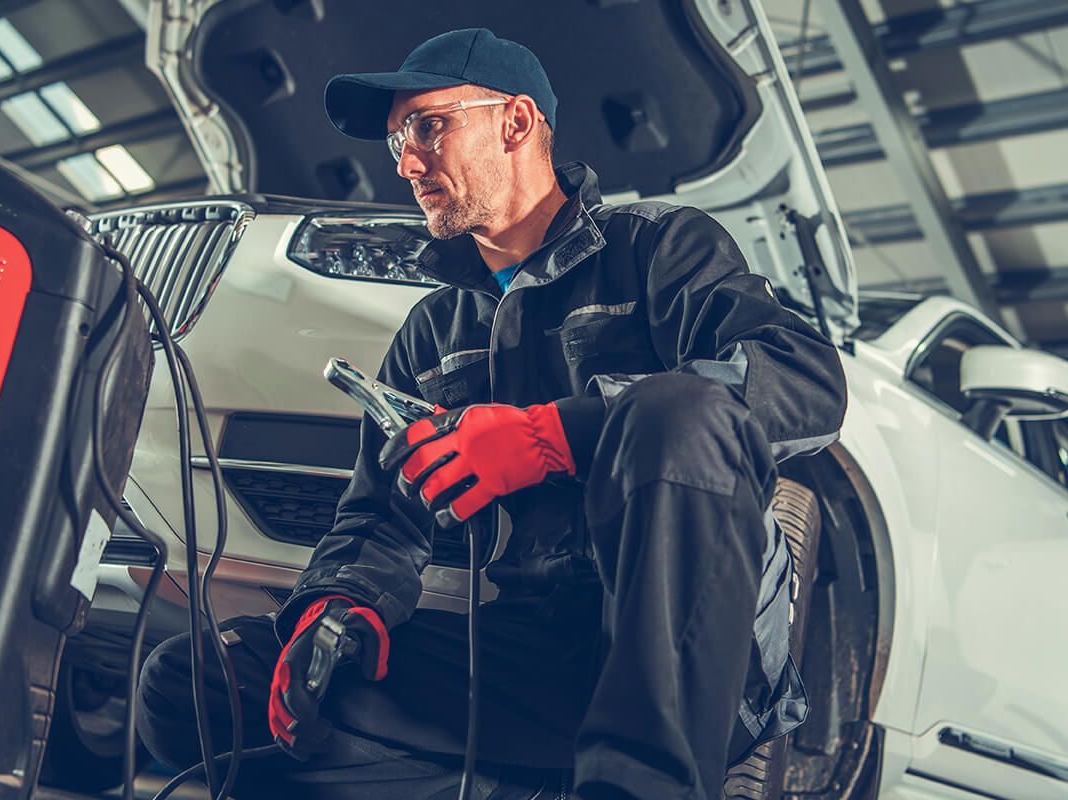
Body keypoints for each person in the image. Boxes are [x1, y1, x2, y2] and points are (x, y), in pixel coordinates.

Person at [136, 28, 847, 800]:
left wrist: (554, 436)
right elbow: (379, 517)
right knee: (195, 684)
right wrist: (339, 606)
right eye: (397, 142)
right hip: (541, 657)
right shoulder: (435, 331)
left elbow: (805, 379)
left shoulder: (659, 248)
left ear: (515, 123)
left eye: (427, 126)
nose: (406, 163)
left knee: (678, 410)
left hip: (696, 656)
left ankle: (641, 786)